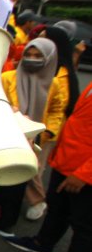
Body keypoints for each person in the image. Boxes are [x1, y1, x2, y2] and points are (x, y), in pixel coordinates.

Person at [4, 82, 92, 252]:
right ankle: (43, 244)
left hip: (83, 172)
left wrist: (84, 175)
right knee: (58, 208)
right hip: (67, 161)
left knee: (84, 224)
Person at [0, 38, 65, 236]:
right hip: (5, 135)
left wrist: (48, 131)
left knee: (19, 180)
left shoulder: (54, 84)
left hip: (35, 139)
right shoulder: (8, 78)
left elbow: (58, 109)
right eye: (29, 55)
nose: (32, 59)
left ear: (48, 58)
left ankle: (5, 221)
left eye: (38, 56)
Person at [23, 25, 80, 220]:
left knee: (34, 168)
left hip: (44, 131)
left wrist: (47, 132)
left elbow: (58, 107)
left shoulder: (60, 74)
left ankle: (38, 201)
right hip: (26, 127)